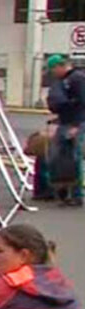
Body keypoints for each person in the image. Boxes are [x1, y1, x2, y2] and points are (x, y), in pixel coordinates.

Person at [48, 55, 85, 206]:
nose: (52, 72)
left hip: (77, 123)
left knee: (75, 158)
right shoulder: (63, 81)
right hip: (65, 122)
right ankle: (63, 190)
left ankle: (76, 194)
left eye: (53, 69)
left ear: (60, 66)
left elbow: (83, 103)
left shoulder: (77, 79)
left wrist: (76, 125)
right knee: (59, 157)